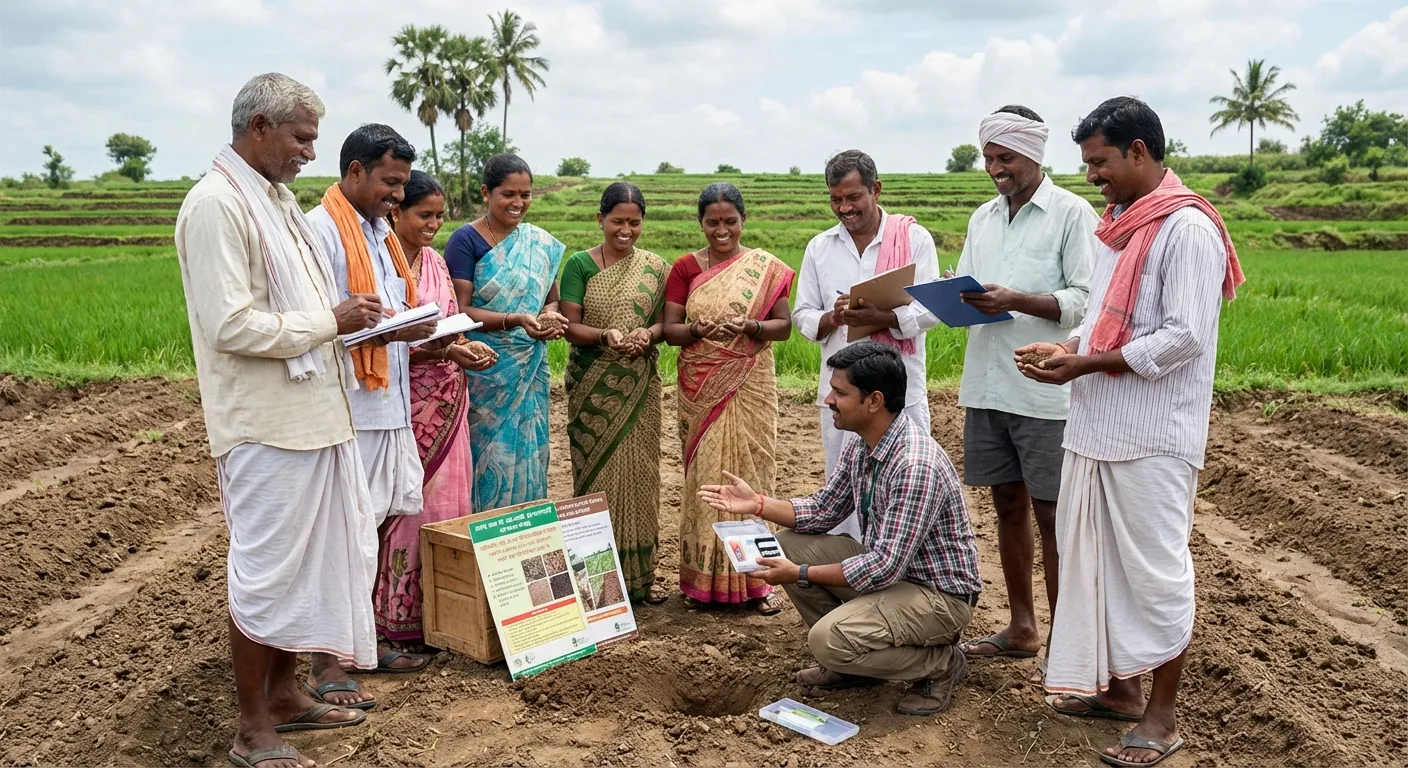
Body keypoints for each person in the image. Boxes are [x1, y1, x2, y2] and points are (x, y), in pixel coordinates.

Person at [1016, 96, 1244, 768]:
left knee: (1155, 575)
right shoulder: (1119, 227)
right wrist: (1069, 348)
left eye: (1099, 162)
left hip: (1153, 436)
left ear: (1138, 151)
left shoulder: (1187, 229)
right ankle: (1120, 692)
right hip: (1098, 426)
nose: (1092, 176)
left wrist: (1085, 362)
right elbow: (1105, 318)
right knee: (1100, 566)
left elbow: (1183, 336)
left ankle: (1162, 718)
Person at [176, 73, 379, 768]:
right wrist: (331, 321)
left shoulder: (277, 201)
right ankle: (253, 728)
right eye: (301, 137)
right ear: (258, 127)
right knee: (265, 576)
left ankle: (287, 698)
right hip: (265, 426)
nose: (310, 152)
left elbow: (303, 311)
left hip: (315, 416)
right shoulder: (216, 204)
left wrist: (350, 323)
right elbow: (230, 324)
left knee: (304, 571)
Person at [698, 342, 982, 716]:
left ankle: (942, 663)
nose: (829, 399)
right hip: (898, 577)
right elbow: (824, 509)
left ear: (874, 401)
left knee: (826, 640)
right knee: (785, 545)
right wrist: (758, 504)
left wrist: (799, 574)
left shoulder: (915, 466)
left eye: (840, 392)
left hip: (937, 597)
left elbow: (882, 567)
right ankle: (855, 663)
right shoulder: (864, 442)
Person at [952, 106, 1094, 681]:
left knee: (1053, 515)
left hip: (1043, 391)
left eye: (1004, 157)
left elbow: (1087, 299)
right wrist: (956, 297)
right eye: (988, 158)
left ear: (1034, 154)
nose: (994, 169)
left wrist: (1016, 299)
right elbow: (965, 283)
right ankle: (1022, 627)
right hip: (988, 385)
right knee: (1006, 505)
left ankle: (1067, 642)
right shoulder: (983, 218)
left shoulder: (1071, 214)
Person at [304, 124, 441, 699]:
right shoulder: (320, 231)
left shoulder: (380, 234)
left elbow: (384, 312)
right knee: (343, 533)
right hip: (348, 408)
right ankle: (326, 662)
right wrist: (383, 329)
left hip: (389, 402)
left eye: (403, 184)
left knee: (379, 525)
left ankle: (363, 638)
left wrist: (419, 328)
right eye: (389, 182)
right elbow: (315, 322)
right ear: (355, 171)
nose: (397, 196)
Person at [791, 150, 941, 540]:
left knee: (908, 482)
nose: (845, 208)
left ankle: (899, 564)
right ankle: (848, 560)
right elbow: (803, 315)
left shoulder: (913, 238)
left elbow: (931, 309)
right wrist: (834, 318)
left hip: (900, 388)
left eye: (853, 197)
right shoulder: (820, 247)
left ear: (876, 189)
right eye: (836, 199)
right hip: (841, 394)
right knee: (843, 486)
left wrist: (883, 317)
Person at [376, 170, 497, 648]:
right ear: (396, 212)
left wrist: (465, 346)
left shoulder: (435, 262)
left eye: (439, 216)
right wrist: (447, 350)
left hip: (447, 398)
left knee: (447, 504)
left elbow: (450, 324)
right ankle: (396, 617)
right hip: (398, 401)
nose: (433, 225)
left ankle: (442, 614)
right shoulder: (378, 263)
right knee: (404, 504)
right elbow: (379, 340)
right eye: (424, 215)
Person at [663, 182, 794, 614]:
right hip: (702, 386)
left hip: (751, 380)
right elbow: (671, 330)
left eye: (730, 222)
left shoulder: (765, 268)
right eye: (712, 223)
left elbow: (783, 326)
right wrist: (696, 330)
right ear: (701, 223)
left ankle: (758, 582)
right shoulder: (685, 268)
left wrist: (751, 326)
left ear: (743, 221)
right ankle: (702, 584)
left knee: (754, 472)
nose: (722, 231)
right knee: (705, 477)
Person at [559, 182, 670, 605]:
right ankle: (596, 588)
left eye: (634, 222)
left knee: (642, 478)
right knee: (595, 479)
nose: (625, 230)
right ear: (600, 219)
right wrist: (605, 335)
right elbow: (571, 326)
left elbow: (665, 323)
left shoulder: (655, 268)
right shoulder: (579, 265)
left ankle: (639, 582)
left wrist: (648, 334)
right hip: (592, 386)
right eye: (617, 221)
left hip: (639, 385)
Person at [442, 154, 567, 511]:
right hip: (487, 369)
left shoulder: (538, 243)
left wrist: (549, 317)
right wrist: (514, 319)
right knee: (487, 454)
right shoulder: (465, 240)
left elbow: (550, 299)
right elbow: (460, 311)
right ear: (486, 193)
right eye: (508, 194)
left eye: (525, 195)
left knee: (531, 452)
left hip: (530, 367)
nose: (518, 203)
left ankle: (526, 533)